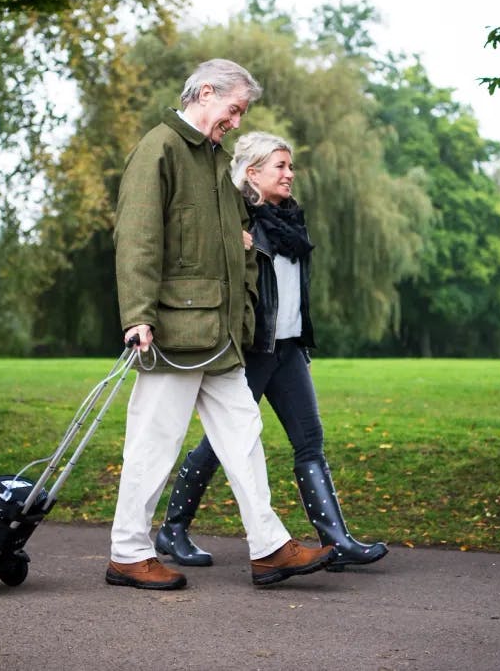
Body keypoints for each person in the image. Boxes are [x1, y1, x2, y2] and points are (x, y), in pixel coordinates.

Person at [107, 59, 335, 590]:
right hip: (173, 332)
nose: (235, 121)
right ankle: (127, 552)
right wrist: (138, 317)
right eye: (233, 109)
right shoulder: (158, 149)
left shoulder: (213, 161)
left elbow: (231, 235)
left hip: (222, 336)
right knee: (153, 443)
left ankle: (270, 547)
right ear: (205, 93)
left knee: (244, 438)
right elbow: (137, 240)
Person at [154, 131, 389, 571]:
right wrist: (234, 241)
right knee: (221, 445)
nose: (290, 174)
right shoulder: (236, 223)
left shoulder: (291, 222)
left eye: (290, 166)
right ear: (252, 172)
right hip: (253, 350)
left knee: (310, 442)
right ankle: (173, 529)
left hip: (290, 350)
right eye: (280, 166)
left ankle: (336, 542)